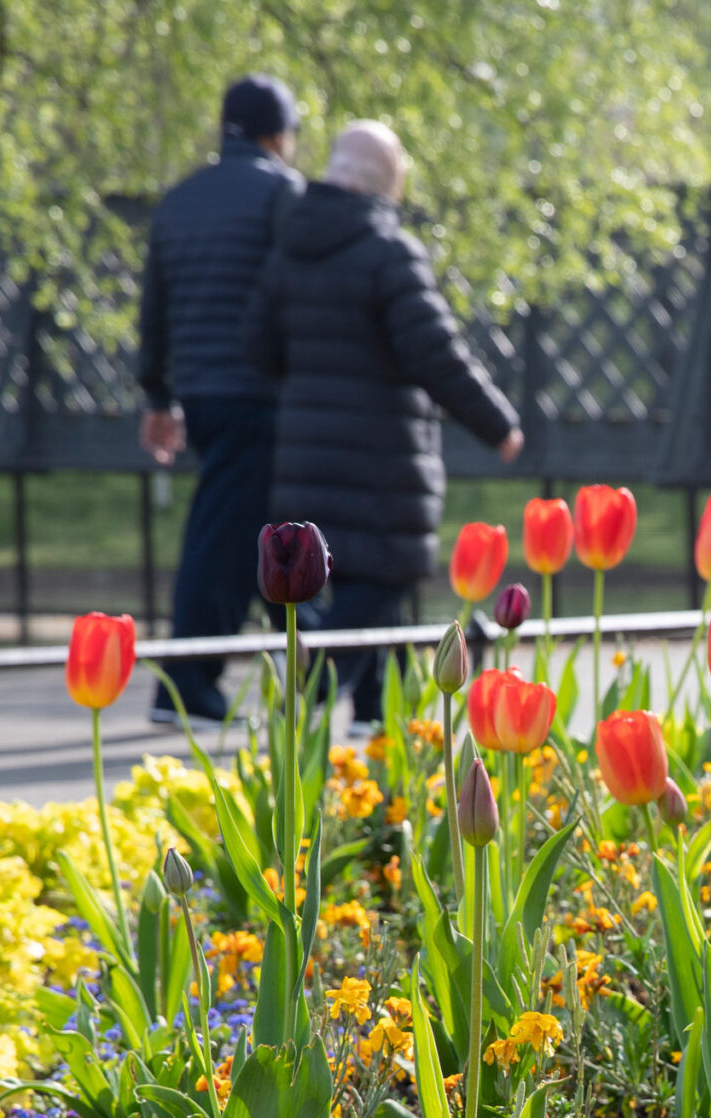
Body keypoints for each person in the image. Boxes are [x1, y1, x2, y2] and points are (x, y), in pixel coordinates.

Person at [245, 120, 524, 729]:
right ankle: (300, 709)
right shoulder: (387, 252)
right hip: (380, 468)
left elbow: (260, 349)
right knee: (376, 590)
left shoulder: (287, 252)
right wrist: (498, 424)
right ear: (387, 183)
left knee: (371, 600)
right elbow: (435, 354)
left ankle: (378, 724)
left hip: (306, 461)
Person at [137, 75, 305, 727]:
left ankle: (302, 676)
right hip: (260, 392)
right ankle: (188, 686)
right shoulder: (282, 194)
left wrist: (157, 393)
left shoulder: (179, 201)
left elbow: (155, 307)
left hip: (201, 393)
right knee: (226, 538)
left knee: (250, 530)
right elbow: (290, 293)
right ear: (276, 134)